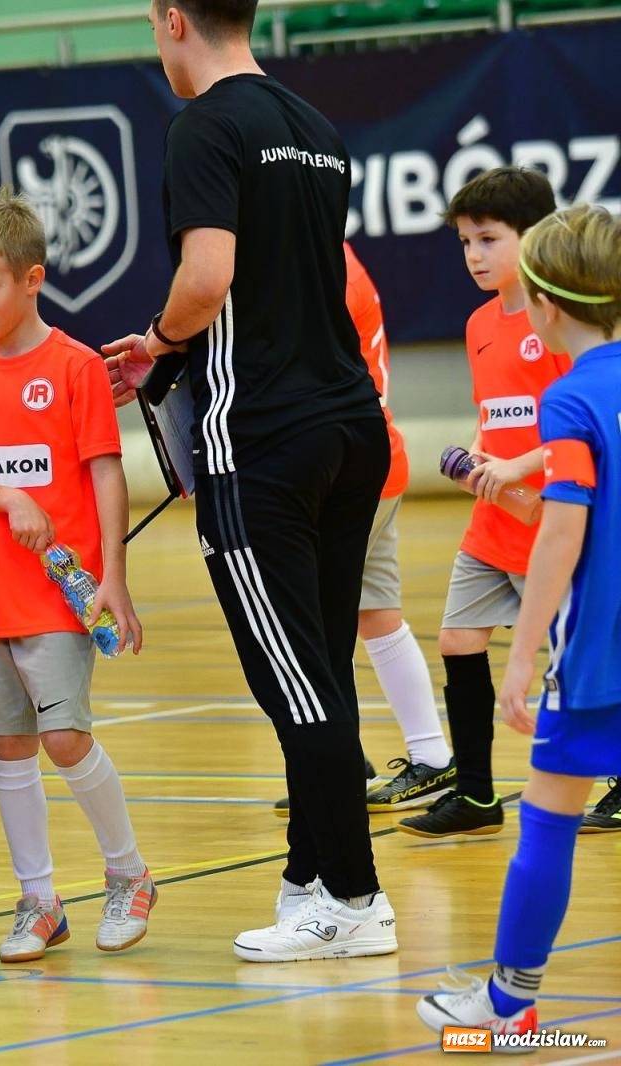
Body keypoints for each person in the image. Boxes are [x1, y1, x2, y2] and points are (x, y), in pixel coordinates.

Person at [103, 0, 396, 962]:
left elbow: (208, 277)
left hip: (261, 439)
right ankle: (310, 879)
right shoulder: (313, 125)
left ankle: (355, 901)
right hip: (351, 425)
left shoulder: (205, 126)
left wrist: (157, 341)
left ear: (173, 18)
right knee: (318, 670)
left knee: (293, 682)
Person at [0, 187, 155, 964]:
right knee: (9, 750)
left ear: (33, 278)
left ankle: (129, 874)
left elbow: (106, 475)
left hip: (64, 596)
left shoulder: (75, 369)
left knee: (64, 738)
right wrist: (8, 497)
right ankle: (40, 900)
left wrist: (114, 576)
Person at [417, 203, 621, 1040]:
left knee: (549, 813)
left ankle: (509, 1002)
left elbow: (561, 532)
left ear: (542, 303)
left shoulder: (571, 400)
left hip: (600, 660)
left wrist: (521, 654)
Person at [397, 167, 566, 839]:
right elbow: (494, 419)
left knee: (577, 655)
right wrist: (474, 458)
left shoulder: (562, 320)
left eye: (488, 239)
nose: (473, 255)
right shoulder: (477, 325)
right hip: (493, 520)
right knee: (458, 640)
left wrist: (522, 468)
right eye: (465, 241)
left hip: (554, 519)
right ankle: (474, 796)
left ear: (535, 237)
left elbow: (585, 424)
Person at [275, 244, 454, 817]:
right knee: (375, 613)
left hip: (345, 469)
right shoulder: (331, 255)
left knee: (311, 623)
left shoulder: (318, 265)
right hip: (374, 458)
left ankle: (337, 762)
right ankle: (425, 756)